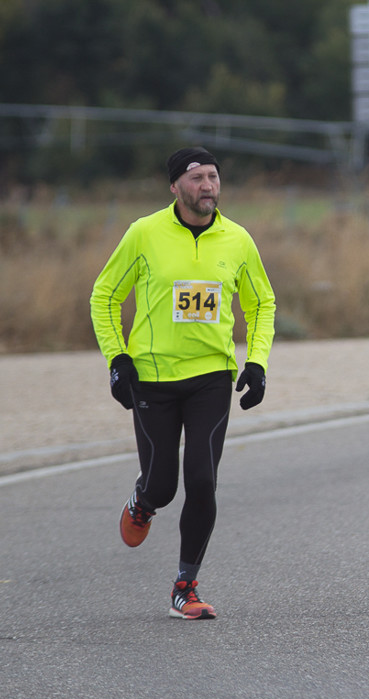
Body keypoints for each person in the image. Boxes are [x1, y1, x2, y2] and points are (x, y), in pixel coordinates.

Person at [90, 146, 276, 620]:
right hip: (152, 377)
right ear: (175, 186)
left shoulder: (238, 240)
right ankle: (142, 500)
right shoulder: (144, 233)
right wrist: (117, 359)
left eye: (213, 176)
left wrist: (256, 363)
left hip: (211, 377)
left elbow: (261, 305)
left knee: (202, 481)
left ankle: (185, 587)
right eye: (197, 178)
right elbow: (105, 295)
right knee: (164, 485)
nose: (208, 186)